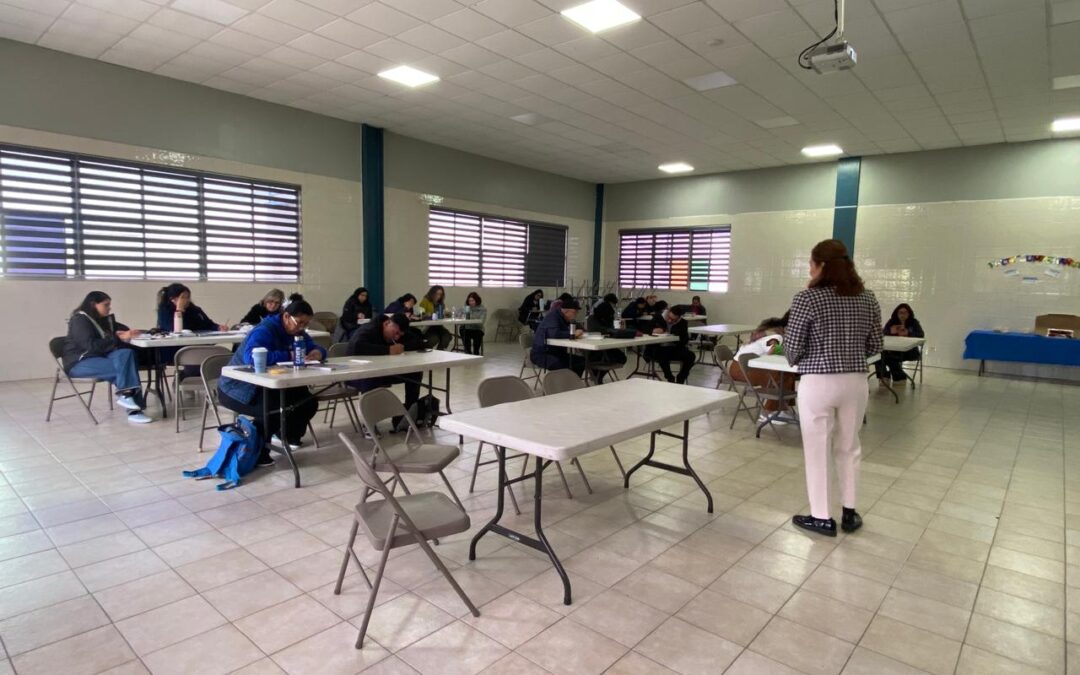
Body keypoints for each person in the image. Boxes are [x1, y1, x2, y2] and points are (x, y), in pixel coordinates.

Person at [784, 239, 882, 537]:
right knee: (849, 446)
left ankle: (822, 517)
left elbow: (791, 350)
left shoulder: (807, 298)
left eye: (811, 263)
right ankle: (850, 513)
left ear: (821, 266)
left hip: (818, 381)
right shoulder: (868, 299)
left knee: (817, 449)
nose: (809, 269)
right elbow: (876, 345)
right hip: (855, 380)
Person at [218, 294, 325, 464]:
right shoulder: (265, 329)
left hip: (269, 385)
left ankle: (286, 436)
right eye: (299, 323)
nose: (302, 328)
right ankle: (258, 452)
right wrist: (288, 354)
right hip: (238, 387)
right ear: (286, 316)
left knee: (307, 401)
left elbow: (315, 347)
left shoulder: (299, 331)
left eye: (306, 324)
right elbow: (250, 358)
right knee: (274, 409)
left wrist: (318, 353)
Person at [63, 291, 152, 424]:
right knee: (125, 368)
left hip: (98, 356)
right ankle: (134, 408)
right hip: (79, 361)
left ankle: (126, 396)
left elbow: (112, 334)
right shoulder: (79, 319)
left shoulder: (97, 319)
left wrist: (122, 333)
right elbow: (90, 345)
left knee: (126, 354)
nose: (109, 308)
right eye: (106, 305)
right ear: (93, 304)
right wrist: (117, 338)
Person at [347, 313, 423, 428]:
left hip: (384, 371)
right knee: (371, 377)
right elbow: (355, 347)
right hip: (358, 374)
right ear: (387, 323)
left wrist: (402, 347)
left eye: (400, 335)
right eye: (396, 333)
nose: (397, 337)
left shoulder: (397, 331)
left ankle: (408, 415)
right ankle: (369, 424)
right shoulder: (369, 329)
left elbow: (419, 342)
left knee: (415, 372)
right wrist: (388, 350)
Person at [730, 312, 793, 422]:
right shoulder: (776, 336)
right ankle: (768, 412)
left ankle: (783, 408)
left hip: (739, 368)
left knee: (788, 374)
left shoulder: (763, 335)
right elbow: (772, 350)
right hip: (743, 369)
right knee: (779, 375)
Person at [531, 298, 584, 375]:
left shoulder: (566, 319)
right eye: (575, 312)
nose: (576, 314)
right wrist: (573, 334)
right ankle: (563, 385)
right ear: (566, 311)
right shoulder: (552, 316)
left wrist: (580, 330)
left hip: (557, 352)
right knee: (562, 366)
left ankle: (574, 384)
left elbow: (580, 329)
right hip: (542, 353)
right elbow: (554, 334)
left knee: (581, 361)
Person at [875, 303, 924, 385]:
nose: (903, 315)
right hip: (892, 350)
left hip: (909, 351)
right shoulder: (892, 322)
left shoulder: (914, 322)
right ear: (897, 313)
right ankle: (885, 377)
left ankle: (898, 377)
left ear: (909, 313)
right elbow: (883, 333)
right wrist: (891, 332)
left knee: (887, 357)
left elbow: (921, 335)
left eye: (905, 312)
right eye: (900, 312)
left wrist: (908, 333)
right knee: (879, 356)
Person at [648, 303, 695, 384]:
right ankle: (670, 377)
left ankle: (681, 377)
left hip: (675, 348)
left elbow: (685, 340)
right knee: (662, 356)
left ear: (679, 317)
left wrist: (675, 336)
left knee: (691, 356)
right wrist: (652, 330)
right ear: (668, 311)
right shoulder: (658, 317)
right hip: (659, 347)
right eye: (669, 318)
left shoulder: (683, 323)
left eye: (674, 320)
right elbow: (644, 329)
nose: (670, 321)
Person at [156, 283, 226, 333]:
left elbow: (208, 324)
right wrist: (179, 310)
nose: (186, 300)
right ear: (172, 299)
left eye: (188, 297)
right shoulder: (164, 310)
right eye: (183, 297)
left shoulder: (195, 309)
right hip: (173, 347)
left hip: (196, 343)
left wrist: (218, 327)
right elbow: (174, 330)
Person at [586, 294, 626, 380]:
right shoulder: (593, 319)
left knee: (622, 358)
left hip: (606, 346)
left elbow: (610, 328)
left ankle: (597, 376)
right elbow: (601, 330)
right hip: (596, 349)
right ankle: (597, 376)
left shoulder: (606, 315)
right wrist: (612, 331)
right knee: (614, 358)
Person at [418, 285, 452, 350]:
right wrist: (426, 315)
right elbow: (420, 315)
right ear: (432, 293)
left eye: (440, 294)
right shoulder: (425, 301)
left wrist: (447, 314)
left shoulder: (441, 303)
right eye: (437, 294)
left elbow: (442, 315)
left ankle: (440, 352)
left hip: (438, 326)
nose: (438, 296)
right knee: (433, 339)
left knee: (447, 337)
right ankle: (427, 353)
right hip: (428, 327)